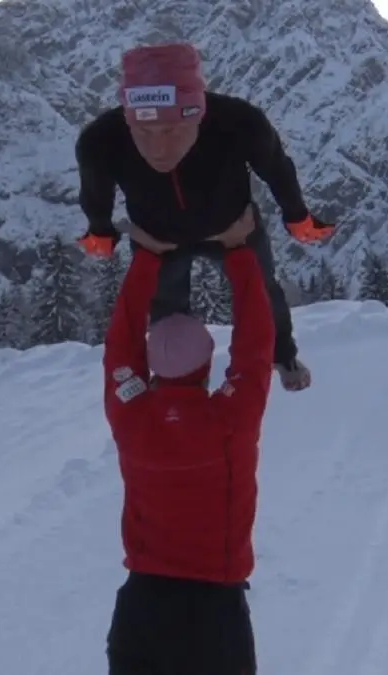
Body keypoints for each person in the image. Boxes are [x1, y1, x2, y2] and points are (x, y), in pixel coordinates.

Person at [75, 41, 335, 392]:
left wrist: (298, 215)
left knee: (261, 294)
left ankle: (281, 353)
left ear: (197, 114)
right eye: (144, 132)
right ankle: (176, 374)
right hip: (161, 238)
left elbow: (276, 168)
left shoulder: (239, 123)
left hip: (232, 230)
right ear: (128, 119)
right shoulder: (101, 141)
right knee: (168, 307)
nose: (158, 148)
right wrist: (100, 228)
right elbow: (96, 190)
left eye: (172, 131)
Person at [100, 221, 274, 675]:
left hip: (140, 608)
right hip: (213, 614)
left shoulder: (131, 416)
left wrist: (147, 259)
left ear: (151, 366)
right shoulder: (230, 422)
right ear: (206, 365)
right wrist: (238, 252)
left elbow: (119, 348)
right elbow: (256, 347)